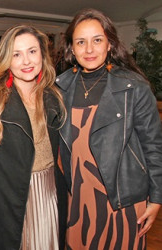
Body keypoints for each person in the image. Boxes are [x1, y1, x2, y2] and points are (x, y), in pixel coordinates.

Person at [57, 8, 162, 249]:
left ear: (110, 44)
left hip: (122, 199)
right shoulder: (60, 87)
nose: (89, 49)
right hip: (77, 199)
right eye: (81, 42)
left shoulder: (133, 87)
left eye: (97, 40)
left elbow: (154, 146)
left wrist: (156, 198)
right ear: (72, 49)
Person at [0, 25, 67, 250]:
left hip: (50, 189)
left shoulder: (54, 96)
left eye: (32, 51)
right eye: (16, 54)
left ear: (42, 53)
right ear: (6, 60)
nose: (26, 61)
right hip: (14, 195)